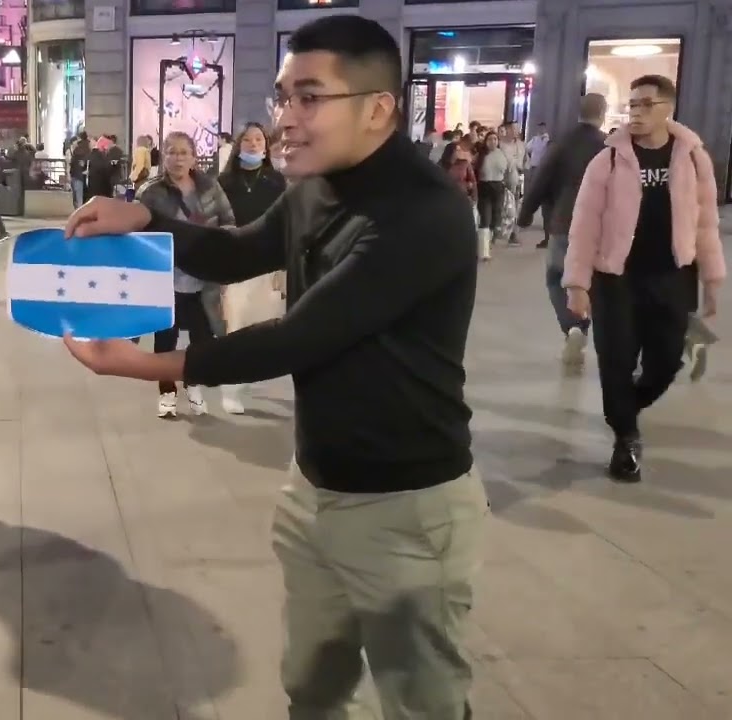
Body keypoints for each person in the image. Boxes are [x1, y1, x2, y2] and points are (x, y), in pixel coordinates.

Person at [61, 15, 485, 719]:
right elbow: (236, 252)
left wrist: (145, 366)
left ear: (379, 108)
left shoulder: (424, 214)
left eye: (308, 98)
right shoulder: (319, 184)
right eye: (283, 96)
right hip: (318, 487)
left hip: (409, 509)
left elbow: (298, 338)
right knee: (311, 691)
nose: (284, 117)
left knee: (425, 704)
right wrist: (146, 220)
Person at [563, 74, 725, 482]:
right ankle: (626, 438)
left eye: (645, 104)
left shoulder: (691, 156)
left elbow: (706, 222)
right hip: (616, 278)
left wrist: (712, 278)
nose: (635, 111)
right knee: (615, 359)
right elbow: (584, 224)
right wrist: (578, 284)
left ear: (668, 107)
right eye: (632, 104)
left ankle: (626, 405)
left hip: (673, 277)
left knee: (666, 362)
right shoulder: (609, 159)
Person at [137, 131, 236, 418]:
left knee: (202, 340)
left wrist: (220, 244)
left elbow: (229, 221)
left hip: (204, 280)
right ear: (163, 156)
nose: (178, 158)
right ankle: (167, 392)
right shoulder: (150, 192)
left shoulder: (210, 188)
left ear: (194, 157)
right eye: (171, 151)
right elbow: (139, 233)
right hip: (166, 279)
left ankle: (194, 385)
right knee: (165, 341)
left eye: (184, 152)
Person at [516, 94, 607, 367]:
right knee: (594, 282)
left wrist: (525, 214)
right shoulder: (609, 146)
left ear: (578, 113)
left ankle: (573, 327)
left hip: (564, 224)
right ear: (602, 114)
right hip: (600, 227)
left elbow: (541, 178)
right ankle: (589, 327)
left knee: (557, 278)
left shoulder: (563, 143)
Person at [217, 121, 288, 414]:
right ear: (238, 146)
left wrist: (284, 267)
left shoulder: (276, 181)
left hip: (267, 262)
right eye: (247, 140)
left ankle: (245, 378)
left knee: (262, 324)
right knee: (235, 323)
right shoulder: (224, 182)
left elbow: (286, 224)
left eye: (259, 140)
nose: (254, 144)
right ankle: (230, 388)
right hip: (234, 260)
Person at [474, 130, 512, 261]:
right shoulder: (480, 155)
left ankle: (488, 242)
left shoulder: (502, 154)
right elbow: (474, 171)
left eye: (495, 139)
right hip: (484, 187)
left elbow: (508, 171)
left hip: (498, 187)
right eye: (490, 139)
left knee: (496, 216)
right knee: (485, 217)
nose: (493, 142)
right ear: (486, 141)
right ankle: (484, 251)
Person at [525, 122, 552, 247]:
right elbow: (527, 149)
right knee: (532, 193)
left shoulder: (548, 140)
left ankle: (548, 234)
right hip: (535, 167)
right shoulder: (534, 139)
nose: (540, 129)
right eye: (539, 127)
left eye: (542, 128)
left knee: (545, 203)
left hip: (544, 169)